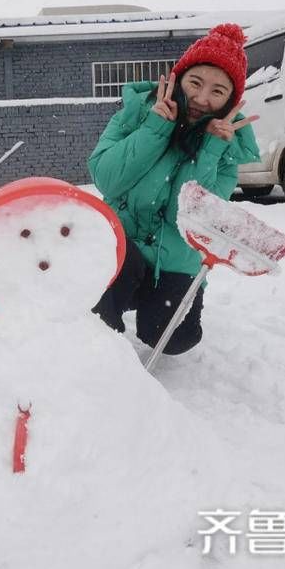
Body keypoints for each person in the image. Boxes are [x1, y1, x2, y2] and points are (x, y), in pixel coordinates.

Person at [89, 23, 261, 355]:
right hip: (122, 246)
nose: (201, 98)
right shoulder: (137, 113)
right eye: (195, 83)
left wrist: (211, 149)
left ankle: (154, 302)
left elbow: (188, 215)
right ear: (178, 78)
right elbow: (106, 178)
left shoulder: (226, 149)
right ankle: (100, 354)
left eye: (218, 91)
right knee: (103, 312)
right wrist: (155, 129)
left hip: (175, 258)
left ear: (230, 100)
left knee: (173, 339)